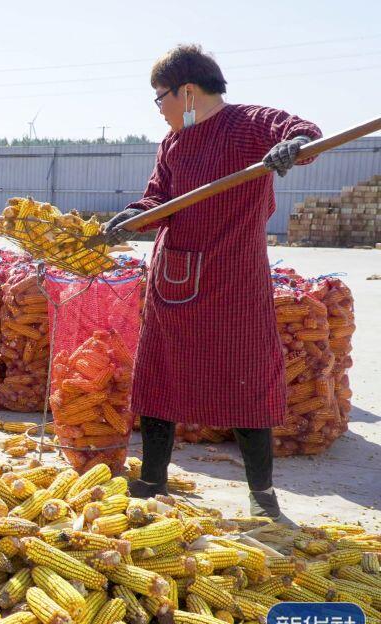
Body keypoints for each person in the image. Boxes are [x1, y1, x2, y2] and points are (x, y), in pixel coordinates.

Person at [103, 44, 321, 520]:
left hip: (235, 279)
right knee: (160, 378)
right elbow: (156, 198)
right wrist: (131, 218)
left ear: (186, 92)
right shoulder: (173, 145)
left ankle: (262, 497)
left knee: (247, 383)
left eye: (158, 97)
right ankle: (153, 480)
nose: (158, 109)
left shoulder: (247, 124)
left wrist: (293, 146)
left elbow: (303, 133)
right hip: (174, 278)